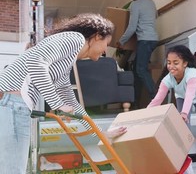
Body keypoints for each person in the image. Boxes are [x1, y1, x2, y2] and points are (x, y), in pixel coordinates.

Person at [0, 13, 127, 174]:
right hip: (11, 105)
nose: (104, 51)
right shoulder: (75, 39)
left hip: (11, 105)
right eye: (106, 44)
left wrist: (100, 134)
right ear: (96, 37)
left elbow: (73, 105)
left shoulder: (64, 64)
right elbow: (35, 63)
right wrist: (58, 104)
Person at [147, 45, 196, 170]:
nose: (171, 66)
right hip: (181, 97)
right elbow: (157, 99)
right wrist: (145, 113)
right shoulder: (167, 79)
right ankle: (183, 156)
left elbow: (190, 94)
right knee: (184, 127)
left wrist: (184, 113)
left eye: (176, 63)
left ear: (185, 63)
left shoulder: (193, 75)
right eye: (169, 63)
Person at [117, 0, 159, 108]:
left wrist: (121, 41)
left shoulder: (135, 5)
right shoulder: (151, 2)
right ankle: (135, 103)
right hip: (153, 40)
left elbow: (132, 27)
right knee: (137, 70)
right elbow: (154, 17)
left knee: (141, 70)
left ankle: (155, 96)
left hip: (144, 40)